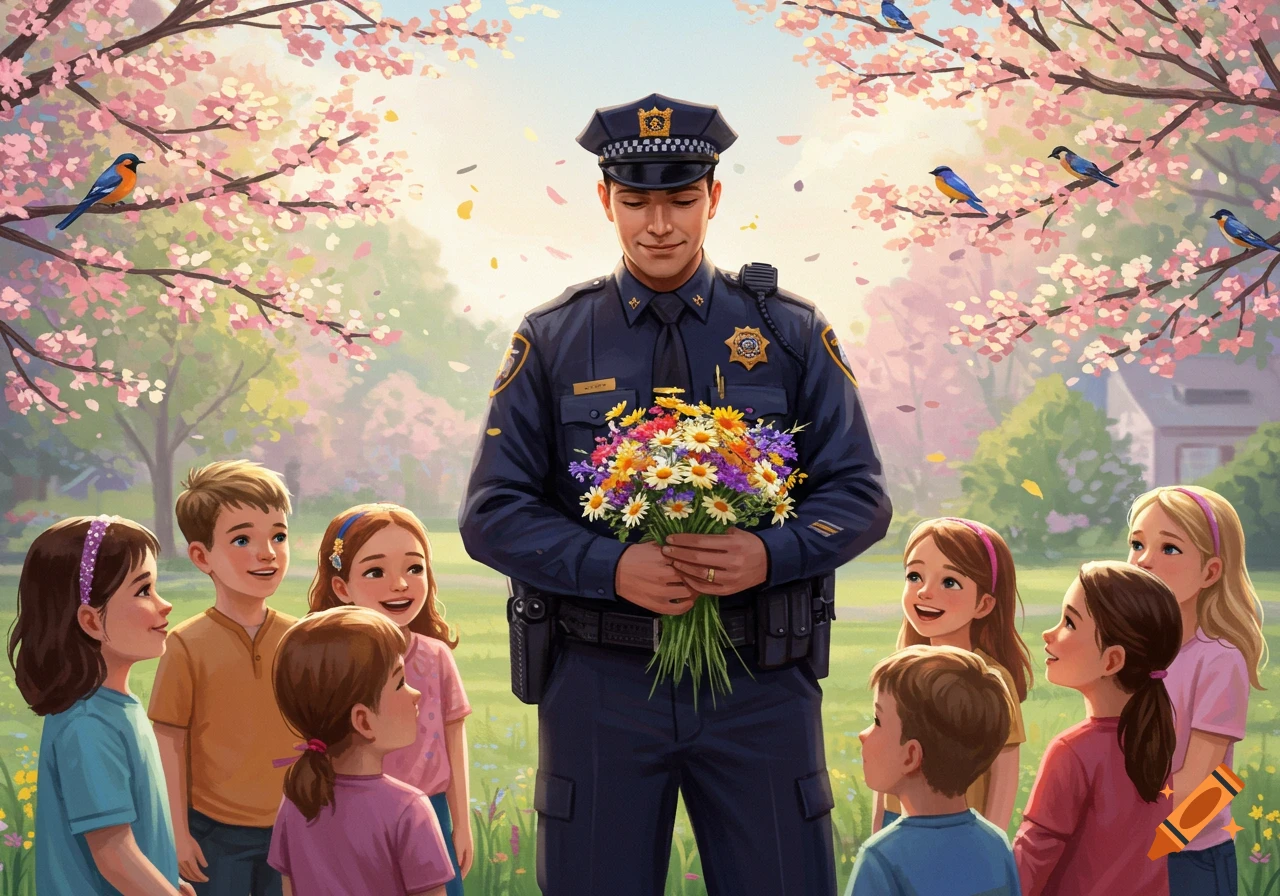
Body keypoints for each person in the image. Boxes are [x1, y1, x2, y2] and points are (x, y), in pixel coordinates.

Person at [459, 93, 892, 895]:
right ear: (605, 201)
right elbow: (491, 514)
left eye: (681, 200)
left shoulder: (791, 333)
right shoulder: (553, 338)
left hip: (758, 679)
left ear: (714, 197)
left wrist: (769, 553)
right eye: (635, 202)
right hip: (601, 680)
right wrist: (610, 568)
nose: (658, 225)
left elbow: (860, 494)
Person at [10, 516, 195, 895]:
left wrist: (166, 879)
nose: (165, 605)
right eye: (144, 590)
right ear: (91, 621)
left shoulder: (116, 707)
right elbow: (114, 854)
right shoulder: (88, 725)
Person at [148, 460, 297, 896]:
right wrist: (178, 832)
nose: (267, 553)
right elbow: (169, 741)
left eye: (278, 536)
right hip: (214, 832)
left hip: (291, 826)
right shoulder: (185, 645)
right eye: (243, 540)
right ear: (201, 556)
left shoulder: (300, 639)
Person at [308, 504, 473, 894]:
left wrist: (462, 824)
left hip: (431, 810)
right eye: (375, 572)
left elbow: (454, 738)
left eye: (414, 568)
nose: (400, 584)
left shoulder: (435, 656)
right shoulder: (335, 662)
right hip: (355, 815)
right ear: (342, 588)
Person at [1126, 485, 1263, 895]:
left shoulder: (1219, 660)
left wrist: (1137, 836)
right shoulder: (1130, 654)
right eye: (1137, 544)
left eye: (1169, 549)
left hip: (1190, 854)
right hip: (1130, 843)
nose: (1143, 560)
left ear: (1210, 572)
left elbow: (1207, 779)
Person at [1013, 561, 1180, 896]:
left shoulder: (1071, 751)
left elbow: (1032, 856)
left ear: (1112, 660)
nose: (1048, 634)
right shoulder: (1154, 741)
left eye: (1069, 622)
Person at [268, 606, 454, 896]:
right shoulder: (409, 809)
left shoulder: (297, 800)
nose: (416, 694)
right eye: (400, 683)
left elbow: (288, 890)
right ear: (363, 721)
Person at [876, 518, 1031, 832]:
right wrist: (876, 833)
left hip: (959, 826)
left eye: (949, 582)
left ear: (984, 604)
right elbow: (885, 757)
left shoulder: (991, 679)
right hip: (899, 822)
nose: (925, 592)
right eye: (915, 576)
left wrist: (991, 842)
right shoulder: (900, 672)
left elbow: (1003, 774)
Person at [847, 645, 1019, 896]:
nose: (863, 735)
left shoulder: (881, 859)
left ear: (911, 756)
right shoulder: (996, 845)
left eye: (877, 721)